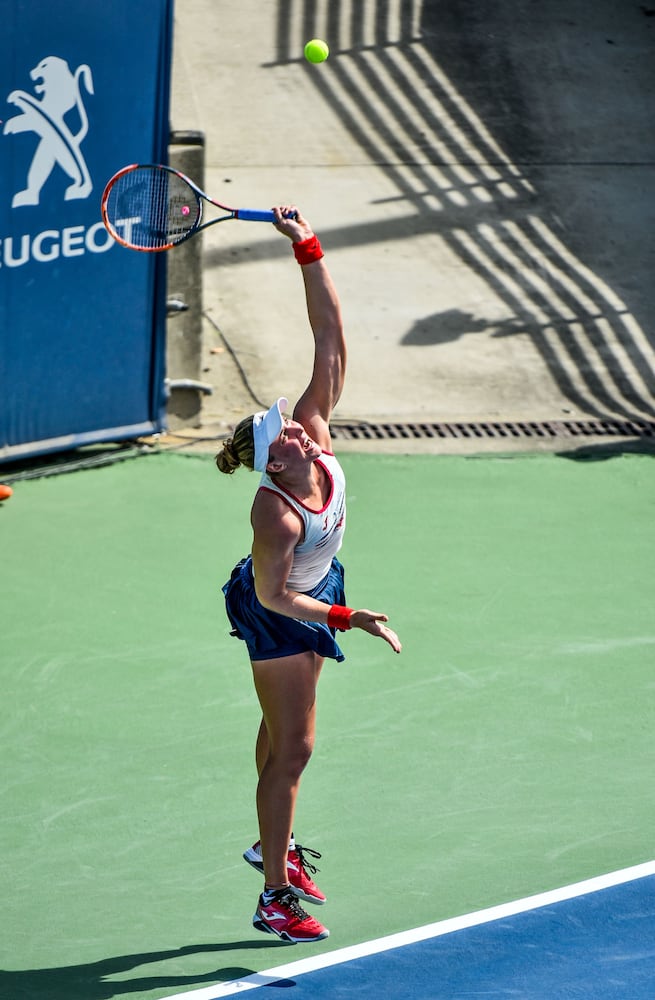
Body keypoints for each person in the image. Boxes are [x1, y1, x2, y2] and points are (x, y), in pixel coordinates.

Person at [215, 206, 402, 945]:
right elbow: (269, 594)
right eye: (283, 432)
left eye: (291, 421)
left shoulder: (313, 438)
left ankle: (272, 838)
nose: (295, 422)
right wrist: (341, 618)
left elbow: (330, 341)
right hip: (279, 605)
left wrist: (307, 248)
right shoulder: (278, 516)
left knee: (279, 732)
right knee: (294, 749)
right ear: (274, 464)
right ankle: (272, 896)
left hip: (314, 590)